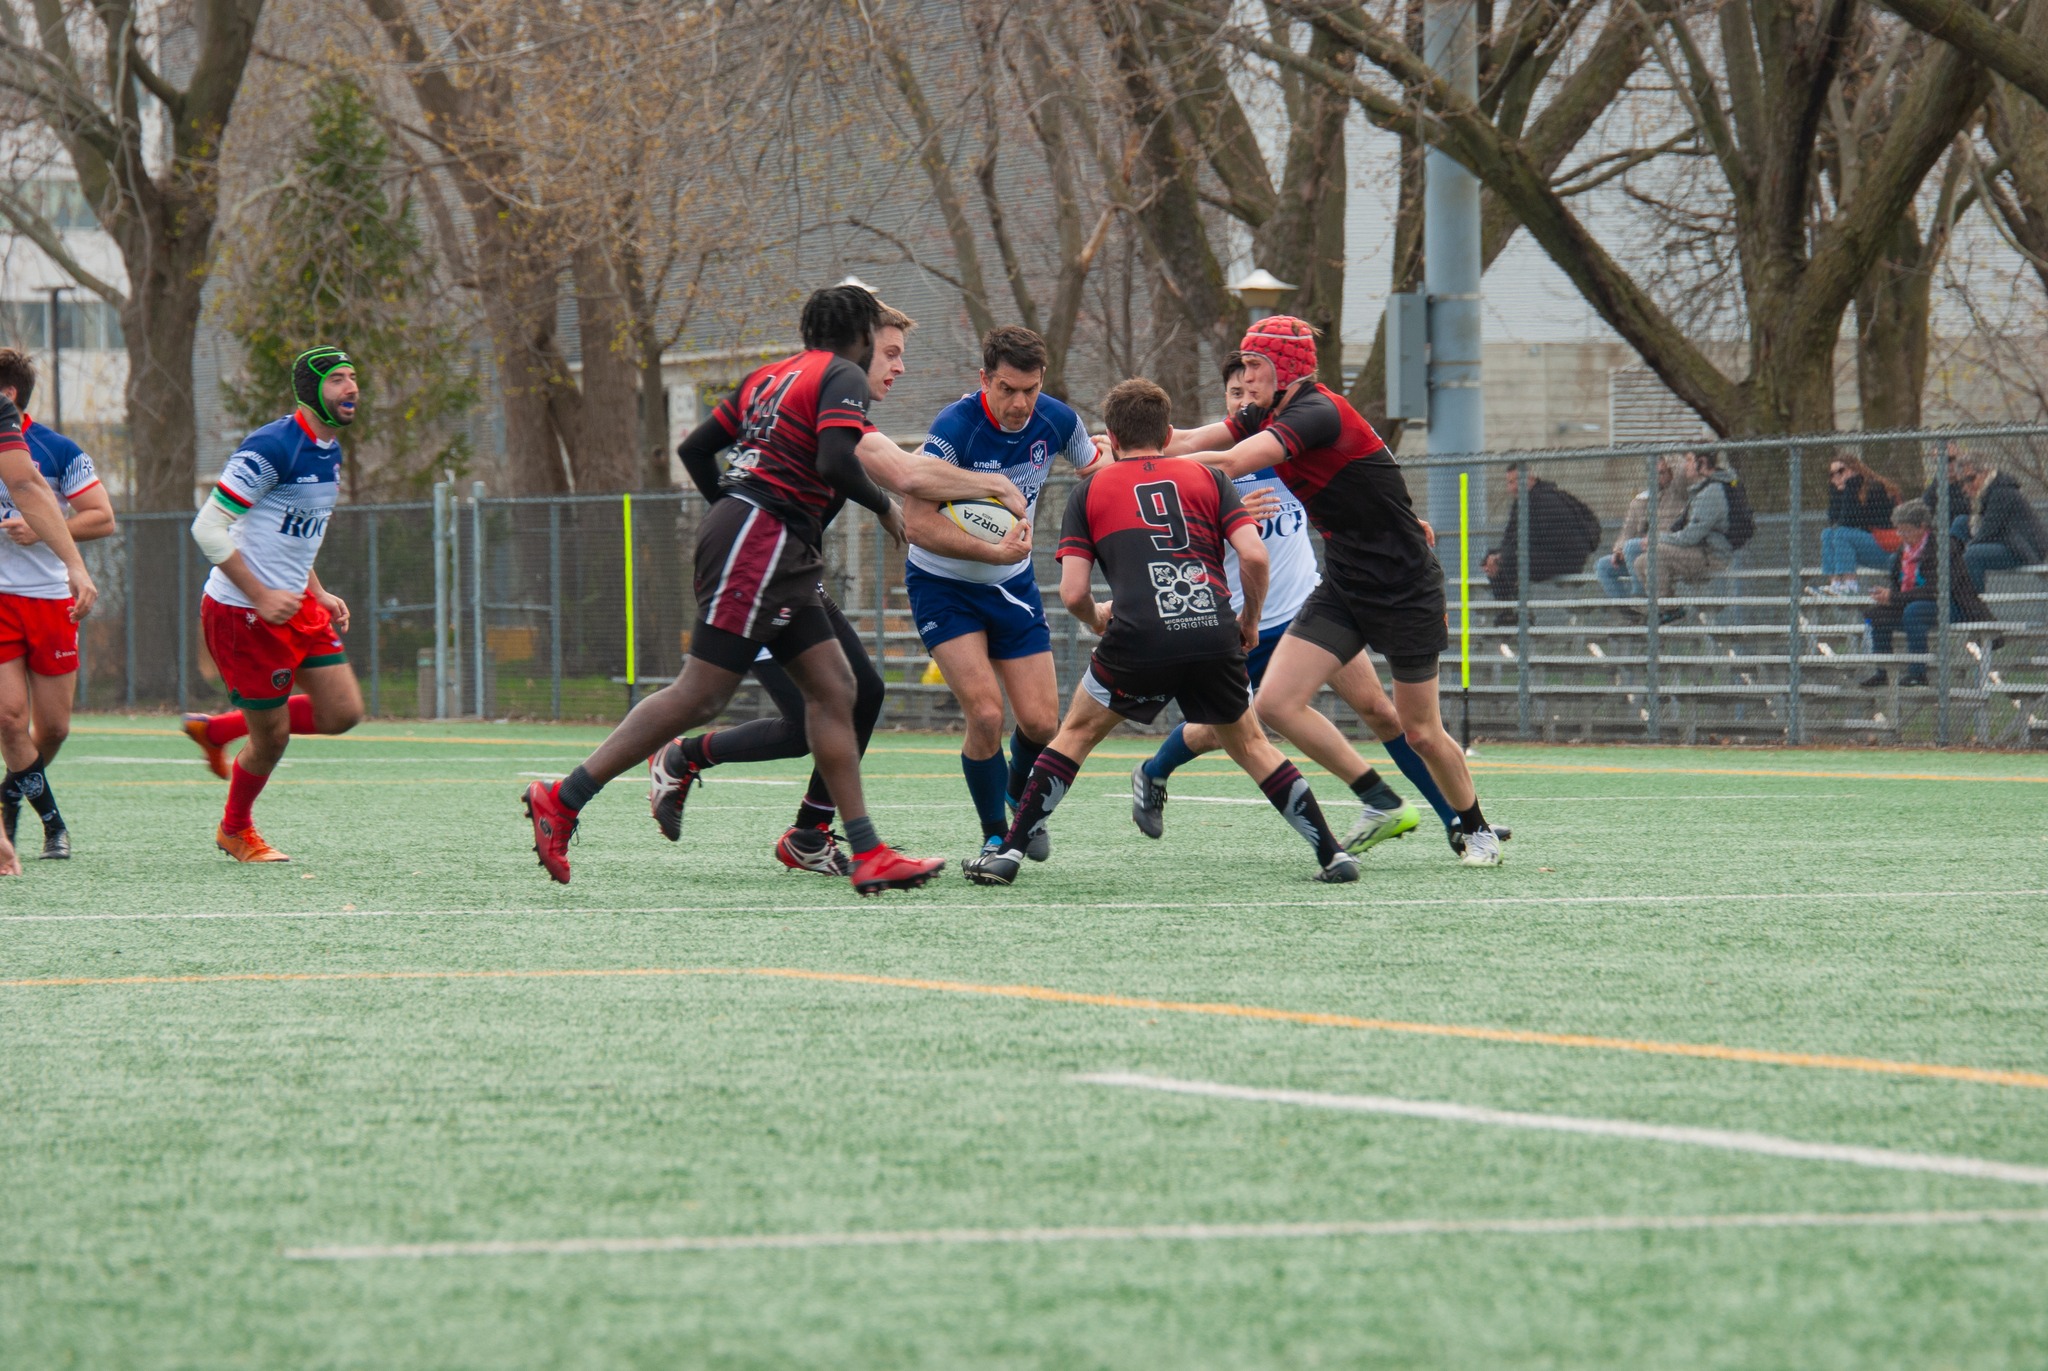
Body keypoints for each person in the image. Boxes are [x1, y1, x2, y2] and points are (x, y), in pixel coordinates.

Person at [522, 285, 945, 894]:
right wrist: (879, 503)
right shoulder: (841, 375)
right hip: (764, 540)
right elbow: (833, 460)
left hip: (763, 538)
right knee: (702, 695)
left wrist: (733, 503)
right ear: (858, 335)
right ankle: (562, 798)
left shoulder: (766, 378)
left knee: (840, 690)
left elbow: (695, 449)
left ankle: (862, 848)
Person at [647, 302, 1025, 874]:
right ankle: (669, 761)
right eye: (891, 353)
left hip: (785, 572)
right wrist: (991, 482)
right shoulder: (846, 410)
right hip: (757, 572)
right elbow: (906, 474)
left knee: (856, 696)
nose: (897, 367)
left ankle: (807, 833)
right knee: (774, 711)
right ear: (863, 345)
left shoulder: (843, 412)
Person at [965, 378, 1355, 887]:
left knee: (1076, 735)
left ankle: (1008, 855)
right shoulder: (1208, 478)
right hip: (1210, 629)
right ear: (1169, 433)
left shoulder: (1090, 491)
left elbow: (1074, 592)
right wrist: (1248, 623)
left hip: (1140, 636)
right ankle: (1333, 855)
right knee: (1253, 745)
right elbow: (1255, 556)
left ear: (1113, 438)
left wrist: (1097, 621)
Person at [1159, 316, 1506, 866]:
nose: (1245, 378)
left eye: (1255, 365)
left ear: (1286, 368)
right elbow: (1189, 440)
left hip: (1404, 585)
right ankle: (1377, 798)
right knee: (1275, 703)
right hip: (1345, 581)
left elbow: (1224, 463)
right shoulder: (1264, 413)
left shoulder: (1316, 412)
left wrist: (1147, 469)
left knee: (1419, 731)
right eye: (1243, 366)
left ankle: (1476, 827)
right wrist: (1115, 446)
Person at [897, 325, 1098, 858]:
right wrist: (994, 552)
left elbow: (1099, 474)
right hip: (943, 585)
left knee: (1041, 722)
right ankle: (994, 835)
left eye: (1030, 389)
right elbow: (914, 523)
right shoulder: (955, 428)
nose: (1019, 402)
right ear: (984, 378)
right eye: (1007, 388)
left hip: (1011, 586)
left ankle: (1017, 795)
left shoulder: (1058, 420)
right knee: (985, 714)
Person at [182, 346, 366, 862]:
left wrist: (319, 592)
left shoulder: (330, 450)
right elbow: (208, 528)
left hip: (293, 606)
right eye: (337, 380)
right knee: (273, 738)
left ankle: (216, 728)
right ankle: (234, 830)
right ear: (311, 392)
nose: (351, 387)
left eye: (353, 378)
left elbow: (288, 537)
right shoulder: (271, 448)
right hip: (244, 615)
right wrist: (260, 596)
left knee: (343, 712)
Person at [0, 349, 114, 861]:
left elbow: (102, 517)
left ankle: (8, 796)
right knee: (8, 719)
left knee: (55, 728)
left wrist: (46, 529)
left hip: (50, 601)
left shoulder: (57, 449)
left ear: (9, 396)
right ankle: (54, 824)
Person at [1859, 500, 1991, 688]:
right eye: (1899, 531)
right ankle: (1883, 672)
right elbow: (1899, 588)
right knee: (1876, 615)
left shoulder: (1941, 548)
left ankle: (1918, 673)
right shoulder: (1902, 554)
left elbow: (1935, 590)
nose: (1902, 536)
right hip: (1913, 604)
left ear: (1922, 527)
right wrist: (1887, 596)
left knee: (1915, 611)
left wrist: (1894, 597)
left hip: (1951, 606)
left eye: (1906, 530)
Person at [1481, 462, 1600, 618]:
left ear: (1530, 478)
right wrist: (1495, 556)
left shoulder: (1545, 499)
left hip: (1565, 560)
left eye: (1517, 481)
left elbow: (1533, 537)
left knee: (1509, 559)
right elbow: (1510, 536)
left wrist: (1502, 556)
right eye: (1510, 482)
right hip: (1542, 554)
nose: (1513, 487)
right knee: (1490, 558)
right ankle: (1506, 611)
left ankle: (1521, 613)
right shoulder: (1521, 502)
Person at [1632, 449, 1734, 624]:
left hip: (1712, 556)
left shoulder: (1712, 492)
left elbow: (1690, 537)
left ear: (1700, 463)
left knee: (1656, 552)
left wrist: (1658, 539)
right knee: (1640, 562)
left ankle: (1666, 610)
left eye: (1688, 461)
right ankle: (1668, 608)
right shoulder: (1700, 490)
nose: (1684, 466)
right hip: (1698, 551)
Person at [1595, 455, 1683, 606]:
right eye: (1654, 474)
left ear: (1671, 473)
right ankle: (1630, 613)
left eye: (1662, 473)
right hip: (1637, 554)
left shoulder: (1679, 494)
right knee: (1603, 566)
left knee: (1632, 546)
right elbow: (1626, 532)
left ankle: (1640, 599)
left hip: (1665, 553)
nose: (1657, 478)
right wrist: (1618, 550)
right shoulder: (1640, 501)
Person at [1813, 453, 1899, 596]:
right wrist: (1836, 492)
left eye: (1841, 471)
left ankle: (1850, 585)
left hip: (1889, 548)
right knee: (1827, 533)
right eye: (1832, 474)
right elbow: (1834, 521)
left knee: (1842, 533)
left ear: (1854, 469)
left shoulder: (1874, 488)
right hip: (1867, 545)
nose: (1836, 477)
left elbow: (1848, 522)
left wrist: (1851, 485)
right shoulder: (1846, 492)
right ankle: (1835, 584)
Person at [1955, 455, 2045, 590]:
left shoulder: (2002, 491)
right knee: (1961, 522)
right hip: (2006, 541)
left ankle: (1973, 606)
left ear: (1985, 472)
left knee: (1973, 554)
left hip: (2023, 548)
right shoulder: (1985, 494)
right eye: (1962, 482)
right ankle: (1949, 565)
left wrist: (1964, 554)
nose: (1966, 487)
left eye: (1970, 479)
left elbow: (1988, 532)